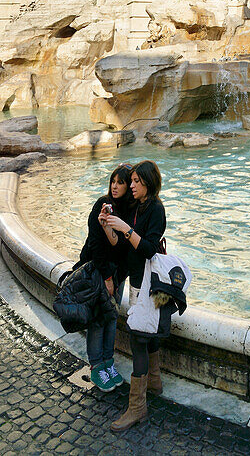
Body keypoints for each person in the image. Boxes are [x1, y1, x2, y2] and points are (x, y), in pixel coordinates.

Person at [105, 161, 167, 433]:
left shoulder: (155, 209)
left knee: (138, 340)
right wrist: (109, 225)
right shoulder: (137, 206)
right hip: (136, 282)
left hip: (147, 285)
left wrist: (125, 228)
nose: (130, 186)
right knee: (145, 334)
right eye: (129, 181)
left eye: (135, 182)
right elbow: (122, 245)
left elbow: (150, 249)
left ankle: (137, 407)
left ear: (148, 183)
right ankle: (154, 382)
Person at [79, 164, 134, 391]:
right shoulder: (102, 204)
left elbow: (122, 247)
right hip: (99, 271)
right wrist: (107, 278)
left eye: (121, 182)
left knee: (111, 318)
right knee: (98, 319)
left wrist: (116, 277)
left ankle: (108, 363)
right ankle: (96, 367)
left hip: (118, 273)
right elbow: (95, 245)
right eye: (113, 181)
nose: (115, 186)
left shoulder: (130, 212)